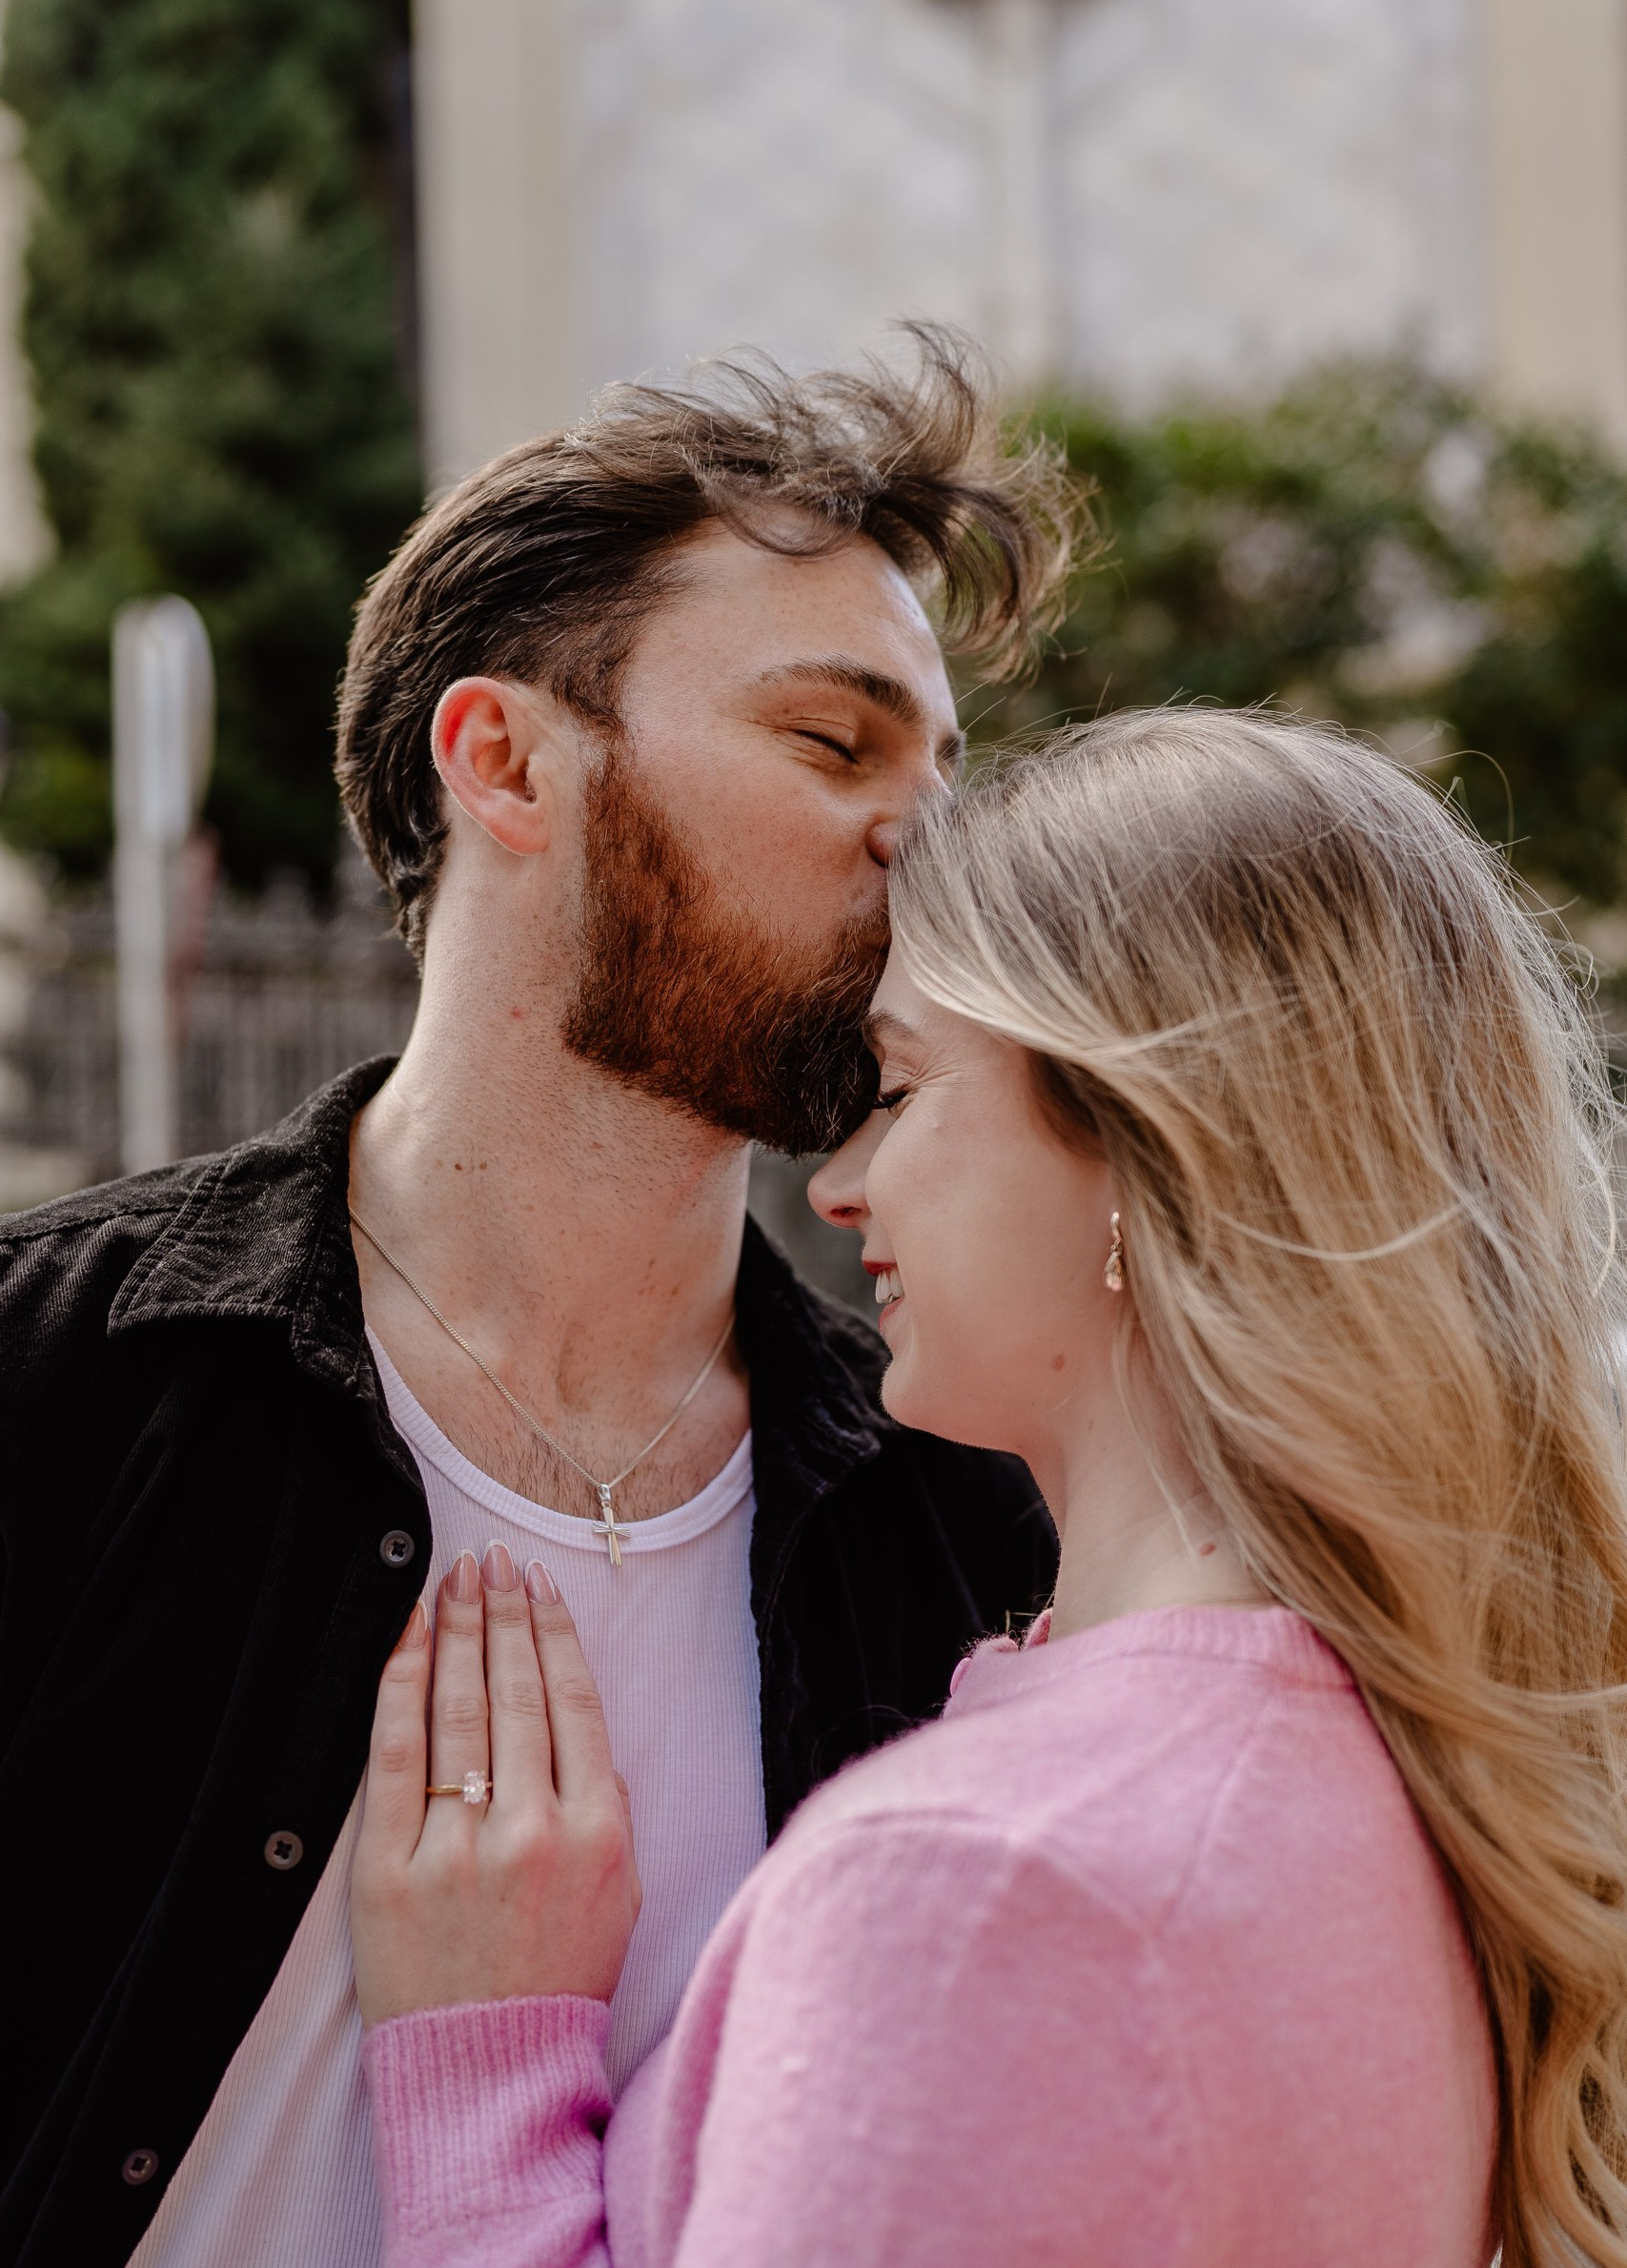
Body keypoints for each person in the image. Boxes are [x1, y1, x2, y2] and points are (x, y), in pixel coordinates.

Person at [0, 332, 1074, 2268]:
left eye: (943, 767)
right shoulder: (53, 1382)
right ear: (503, 761)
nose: (927, 835)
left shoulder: (971, 1529)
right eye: (833, 744)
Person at [349, 705, 1627, 2268]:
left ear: (1147, 1148)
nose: (837, 1184)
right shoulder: (1407, 1764)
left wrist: (488, 2062)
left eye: (897, 1087)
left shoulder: (978, 1893)